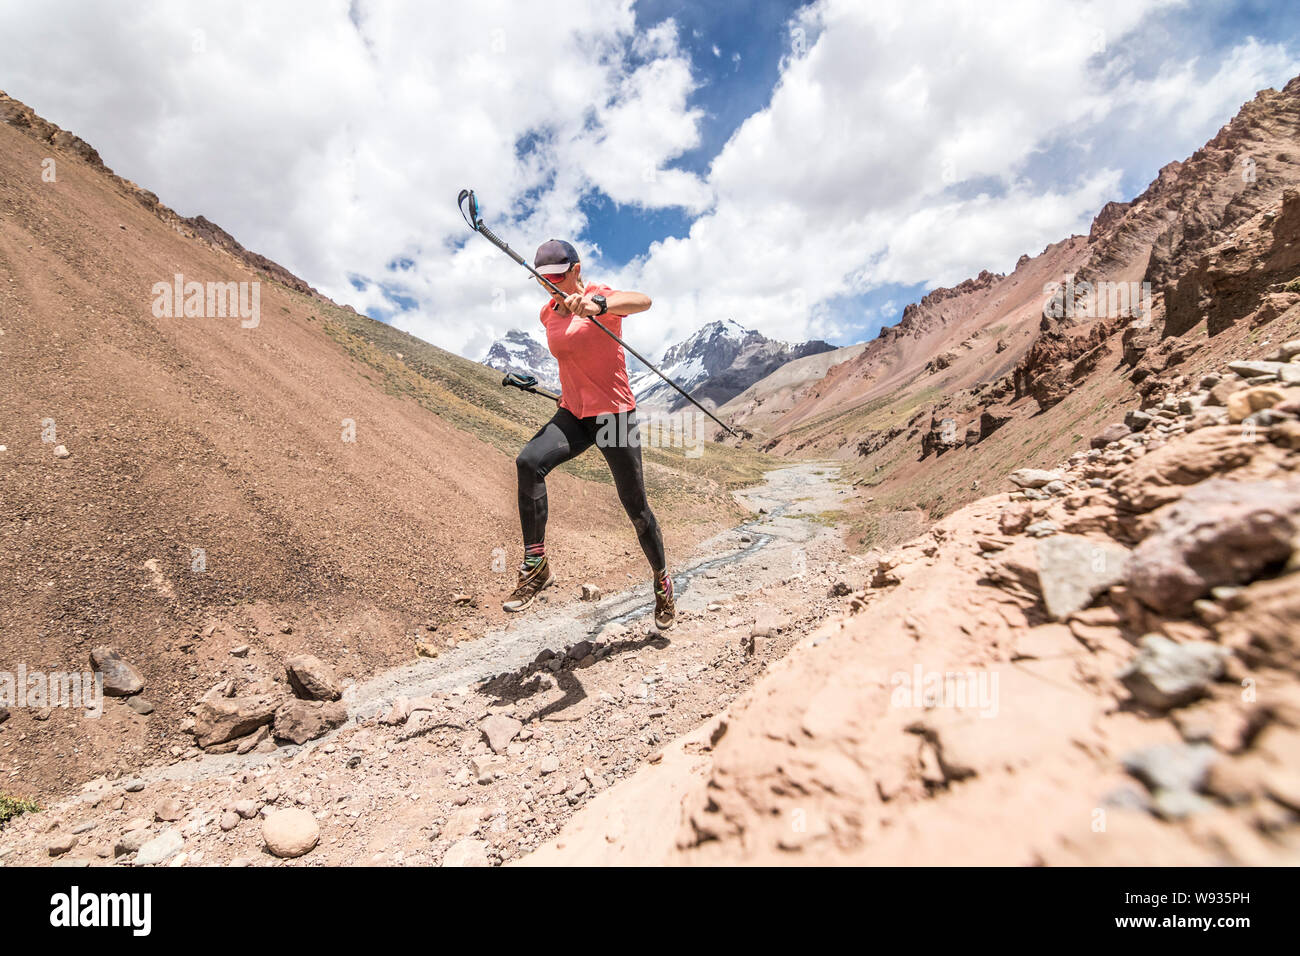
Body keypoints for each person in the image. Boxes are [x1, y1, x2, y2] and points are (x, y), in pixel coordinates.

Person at [503, 238, 675, 630]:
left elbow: (643, 300)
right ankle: (536, 565)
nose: (550, 285)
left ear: (576, 270)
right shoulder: (548, 313)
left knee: (637, 510)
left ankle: (662, 581)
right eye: (542, 280)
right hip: (574, 414)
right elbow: (573, 356)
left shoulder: (601, 298)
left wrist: (599, 306)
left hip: (613, 416)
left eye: (557, 277)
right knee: (528, 462)